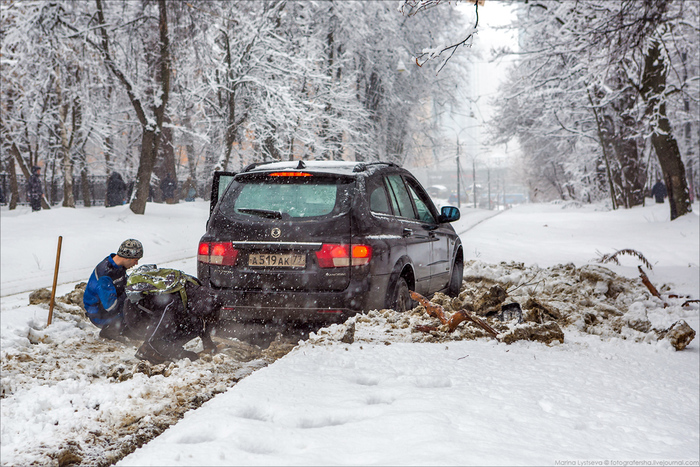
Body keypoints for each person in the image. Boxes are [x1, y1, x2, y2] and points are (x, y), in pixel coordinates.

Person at [123, 266, 221, 364]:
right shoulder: (172, 303)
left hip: (156, 310)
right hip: (135, 316)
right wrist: (182, 354)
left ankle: (162, 349)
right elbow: (154, 336)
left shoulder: (196, 287)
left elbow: (202, 320)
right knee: (160, 337)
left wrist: (207, 340)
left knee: (195, 325)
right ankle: (148, 351)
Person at [83, 239, 143, 340]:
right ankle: (110, 329)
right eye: (136, 259)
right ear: (129, 257)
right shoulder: (105, 273)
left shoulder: (119, 267)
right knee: (136, 324)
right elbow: (111, 306)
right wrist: (130, 295)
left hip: (112, 307)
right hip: (99, 313)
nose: (136, 263)